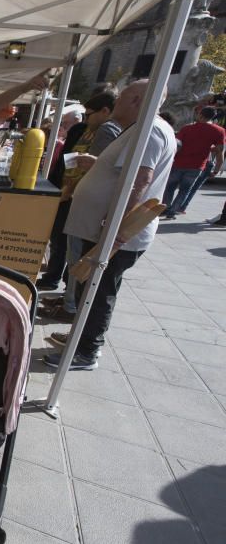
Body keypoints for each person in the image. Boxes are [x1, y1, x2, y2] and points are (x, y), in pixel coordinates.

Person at [45, 80, 176, 370]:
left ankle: (86, 351)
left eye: (122, 98)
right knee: (90, 287)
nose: (115, 103)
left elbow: (140, 180)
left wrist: (114, 225)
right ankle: (81, 339)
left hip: (116, 232)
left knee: (99, 290)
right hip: (106, 229)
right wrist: (97, 165)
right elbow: (124, 173)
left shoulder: (150, 130)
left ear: (138, 100)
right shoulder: (139, 130)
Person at [38, 91, 117, 297]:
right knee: (60, 240)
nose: (86, 119)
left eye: (89, 114)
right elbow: (70, 160)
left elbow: (92, 167)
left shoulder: (107, 130)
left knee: (72, 247)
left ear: (105, 111)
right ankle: (63, 287)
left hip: (78, 195)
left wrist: (69, 189)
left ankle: (69, 296)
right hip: (68, 190)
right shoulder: (83, 130)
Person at [162, 106, 225, 219]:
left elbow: (178, 146)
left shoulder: (186, 128)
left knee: (170, 187)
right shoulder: (219, 131)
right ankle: (172, 212)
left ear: (200, 115)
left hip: (178, 163)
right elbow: (220, 150)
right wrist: (216, 168)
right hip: (197, 165)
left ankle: (165, 207)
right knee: (185, 190)